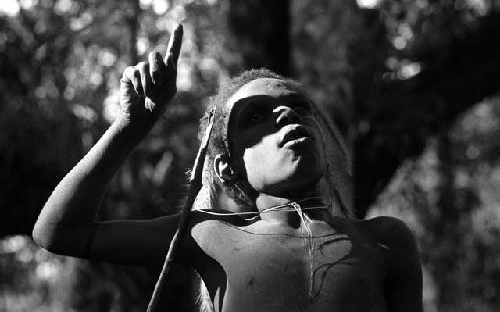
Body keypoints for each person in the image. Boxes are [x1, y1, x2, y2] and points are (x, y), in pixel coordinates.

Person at [33, 24, 423, 312]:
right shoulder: (208, 235)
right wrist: (130, 126)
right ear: (227, 166)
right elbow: (58, 232)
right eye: (257, 116)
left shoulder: (386, 240)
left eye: (298, 107)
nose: (286, 113)